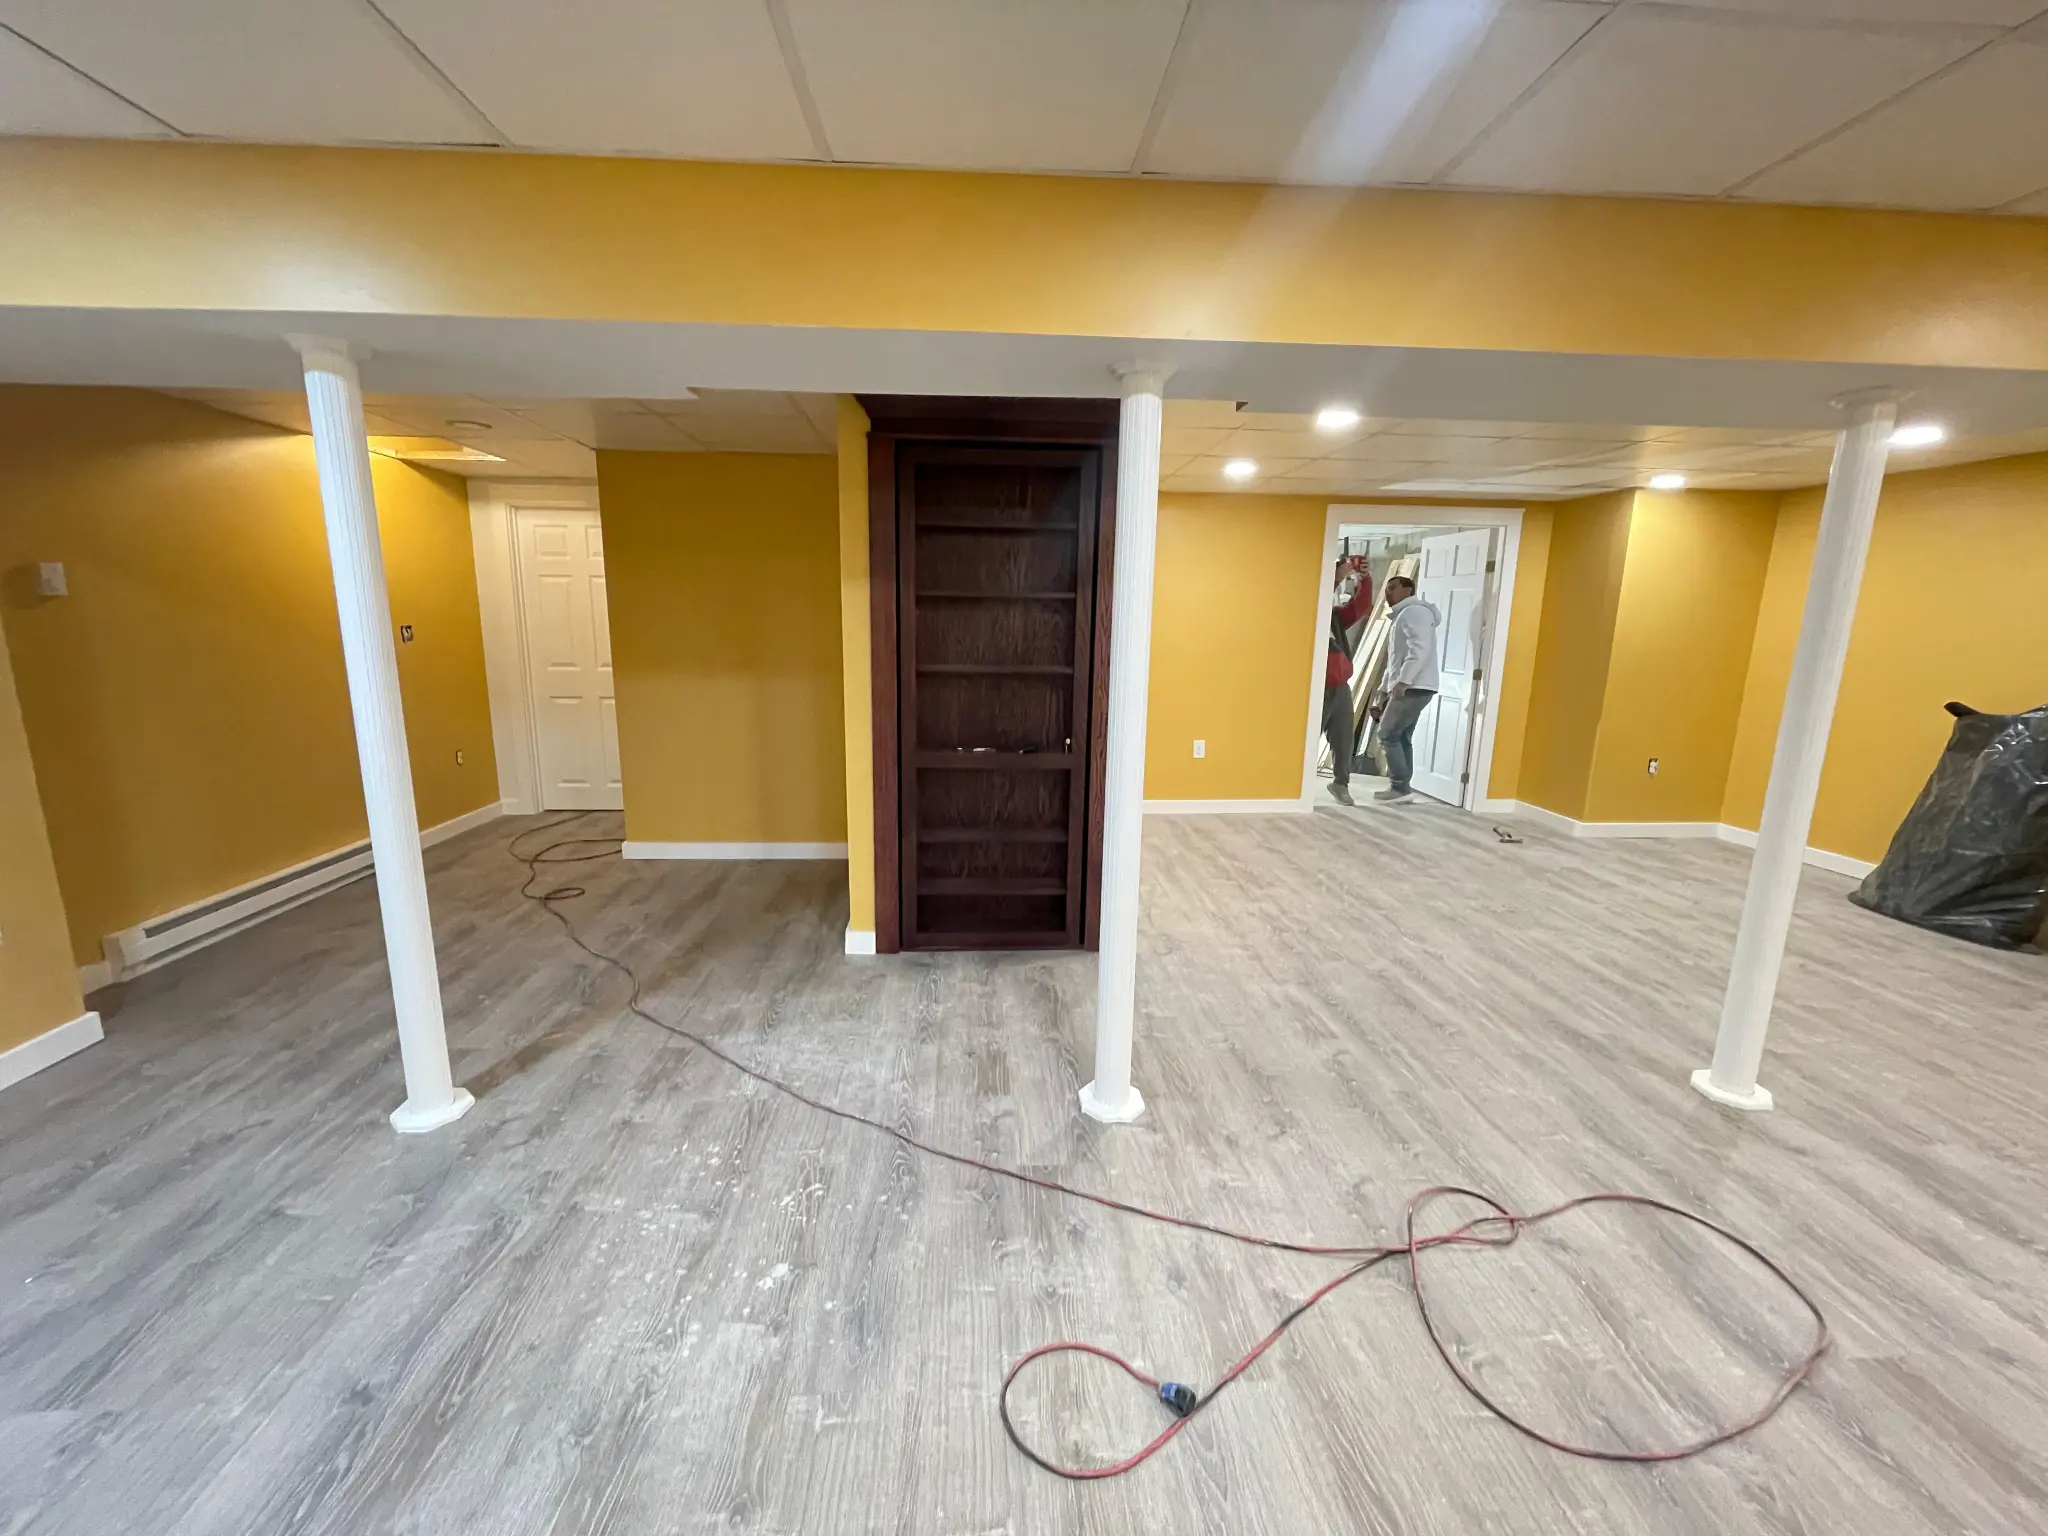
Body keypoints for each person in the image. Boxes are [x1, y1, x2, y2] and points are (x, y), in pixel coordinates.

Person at [1369, 574, 1441, 804]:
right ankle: (1403, 788)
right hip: (1413, 685)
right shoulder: (1403, 616)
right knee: (1401, 736)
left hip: (1414, 686)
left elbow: (1418, 650)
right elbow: (1395, 660)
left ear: (1408, 589)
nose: (1388, 593)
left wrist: (1403, 682)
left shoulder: (1414, 612)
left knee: (1387, 733)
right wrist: (1382, 692)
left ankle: (1399, 788)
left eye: (1392, 588)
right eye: (1387, 588)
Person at [1321, 555, 1374, 806]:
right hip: (1314, 688)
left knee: (1343, 737)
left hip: (1339, 686)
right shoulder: (1311, 610)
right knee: (1306, 739)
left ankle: (1340, 783)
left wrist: (1364, 578)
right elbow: (1317, 597)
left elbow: (1360, 607)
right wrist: (1336, 577)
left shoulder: (1334, 618)